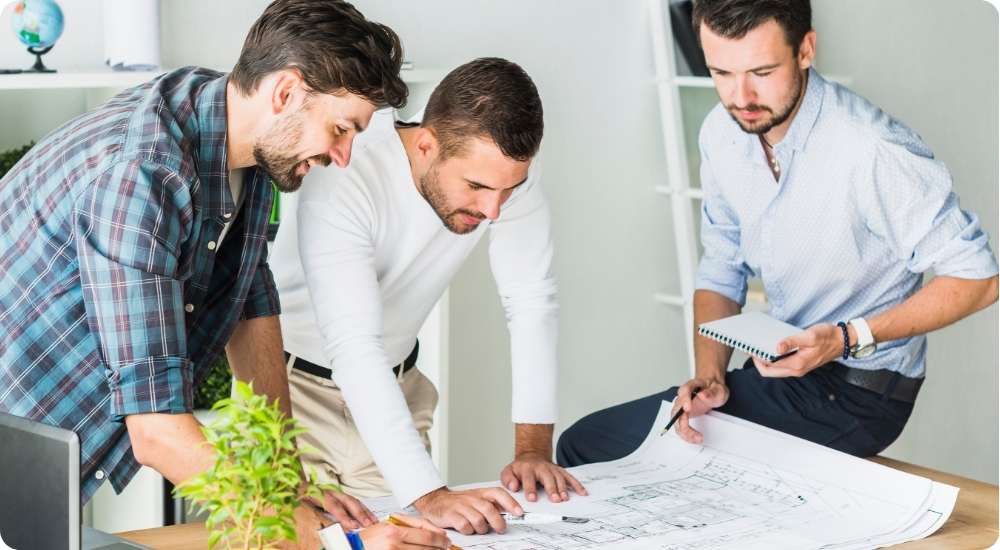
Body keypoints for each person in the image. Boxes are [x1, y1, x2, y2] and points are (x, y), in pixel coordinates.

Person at [0, 1, 452, 548]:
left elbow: (251, 300)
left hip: (35, 453)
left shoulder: (238, 139)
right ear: (285, 93)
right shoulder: (143, 176)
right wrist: (333, 541)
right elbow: (160, 434)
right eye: (340, 128)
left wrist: (287, 482)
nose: (344, 155)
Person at [557, 0, 998, 468]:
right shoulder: (720, 135)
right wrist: (710, 378)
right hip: (775, 375)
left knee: (588, 448)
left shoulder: (871, 149)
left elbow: (980, 279)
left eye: (761, 72)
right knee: (599, 448)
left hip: (860, 394)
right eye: (721, 73)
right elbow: (721, 268)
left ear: (805, 50)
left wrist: (845, 338)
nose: (740, 96)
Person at [270, 57, 587, 537]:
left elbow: (531, 301)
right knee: (284, 544)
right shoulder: (348, 169)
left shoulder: (504, 179)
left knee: (418, 542)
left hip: (397, 392)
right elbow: (354, 345)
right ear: (426, 144)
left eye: (509, 189)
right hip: (291, 398)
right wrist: (429, 494)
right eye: (476, 186)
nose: (494, 209)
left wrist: (533, 450)